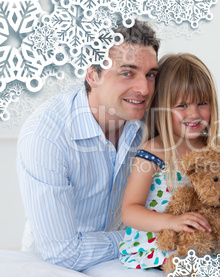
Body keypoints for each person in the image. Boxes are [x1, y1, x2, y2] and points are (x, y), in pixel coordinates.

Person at [16, 20, 160, 272]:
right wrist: (148, 235)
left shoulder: (151, 119)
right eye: (127, 72)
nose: (144, 88)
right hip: (53, 266)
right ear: (93, 74)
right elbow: (62, 253)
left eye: (150, 75)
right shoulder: (47, 135)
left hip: (129, 259)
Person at [118, 53, 220, 270]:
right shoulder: (153, 151)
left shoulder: (218, 149)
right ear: (162, 107)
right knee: (193, 264)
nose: (194, 114)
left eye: (202, 103)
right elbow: (130, 211)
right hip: (165, 242)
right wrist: (172, 222)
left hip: (212, 238)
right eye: (182, 105)